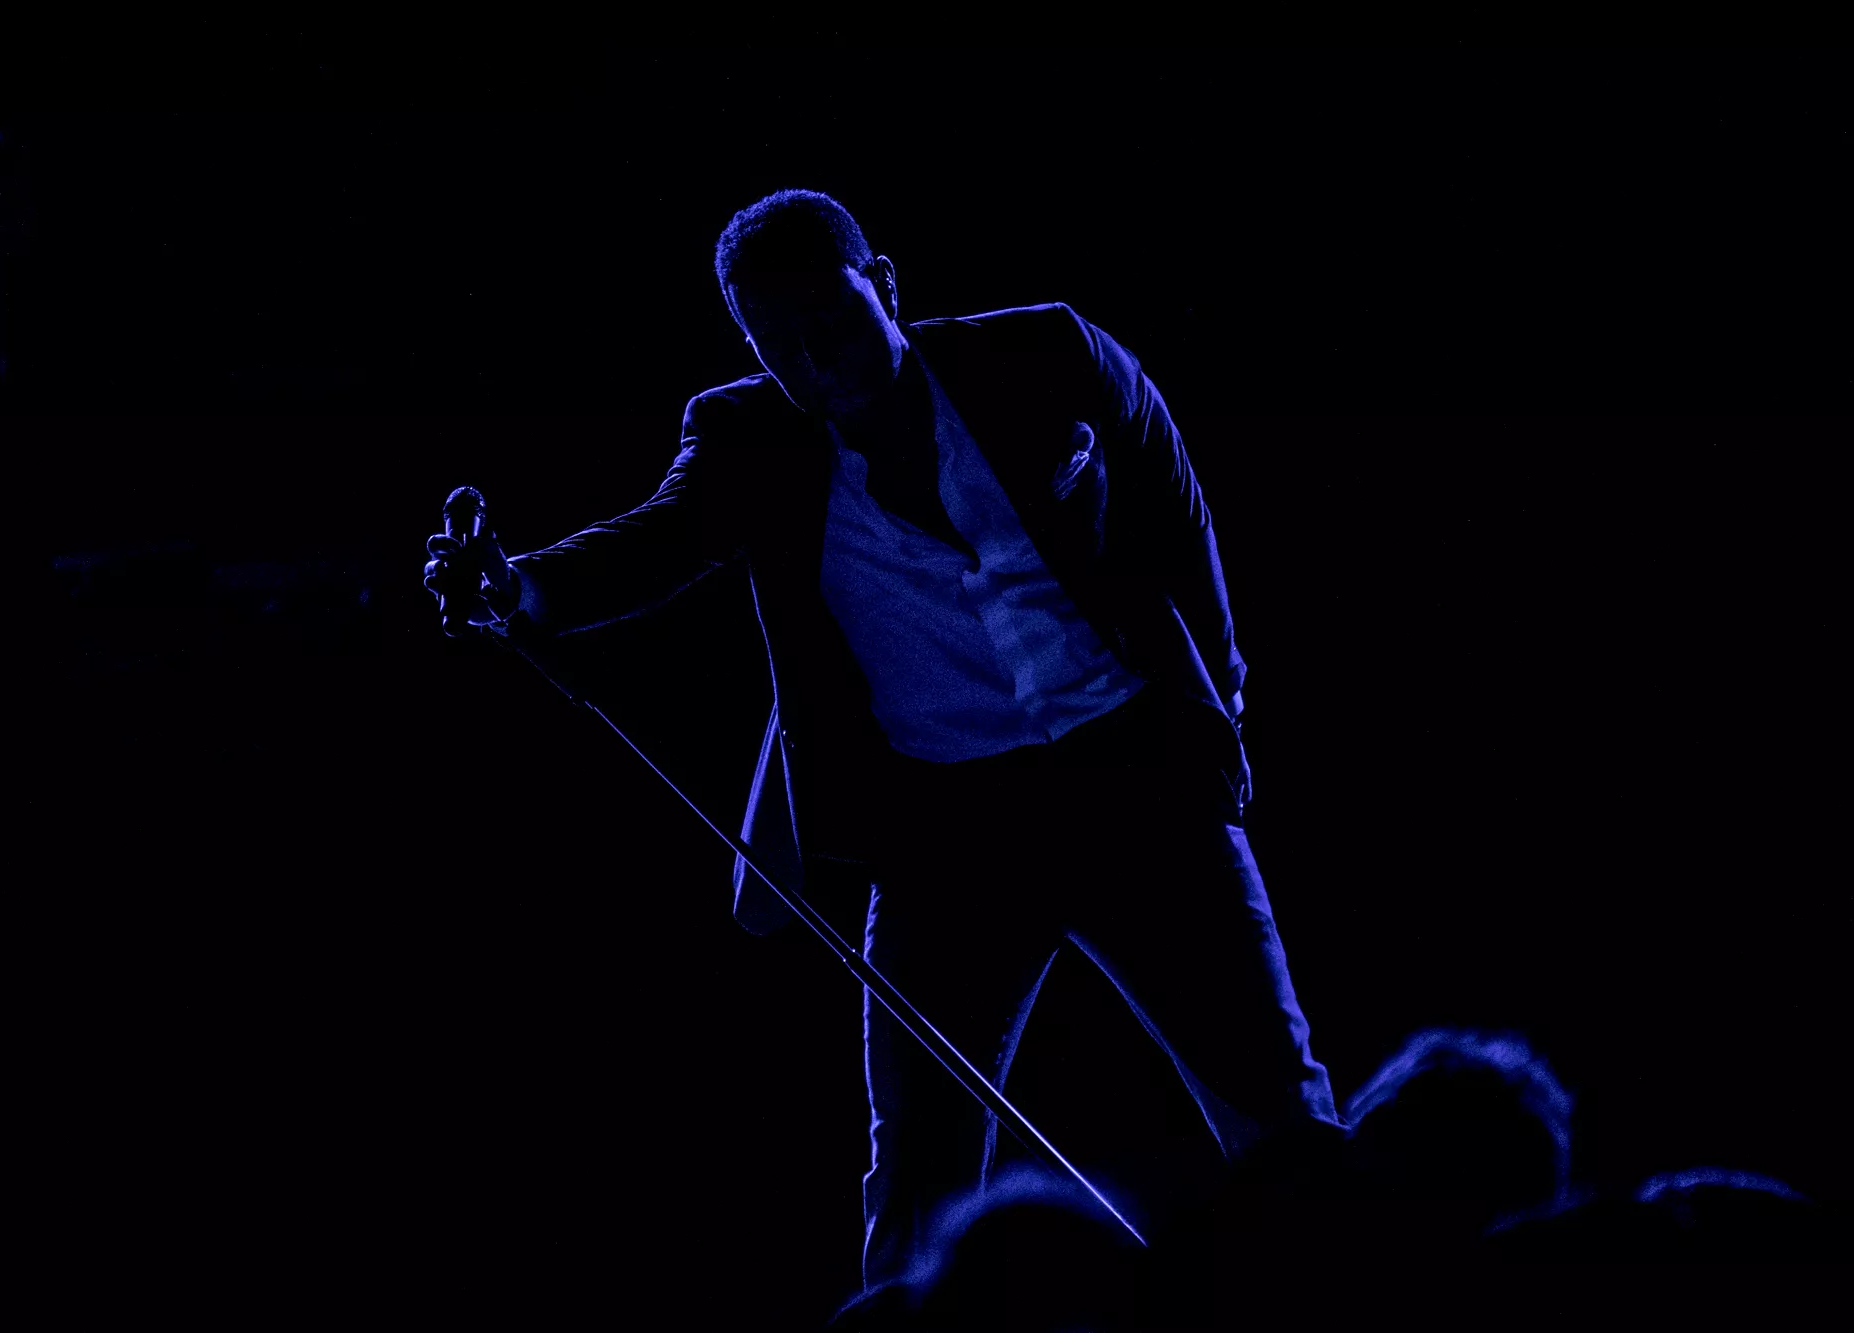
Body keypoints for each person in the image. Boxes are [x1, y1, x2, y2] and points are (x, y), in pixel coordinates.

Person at [423, 189, 1344, 1292]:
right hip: (946, 838)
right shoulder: (747, 438)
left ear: (887, 285)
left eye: (830, 321)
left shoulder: (1049, 355)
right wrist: (513, 587)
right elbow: (650, 544)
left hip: (1133, 788)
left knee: (1279, 1111)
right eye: (779, 346)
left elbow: (1173, 510)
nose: (815, 363)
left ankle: (1352, 1298)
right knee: (916, 1178)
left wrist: (1216, 706)